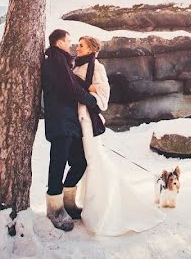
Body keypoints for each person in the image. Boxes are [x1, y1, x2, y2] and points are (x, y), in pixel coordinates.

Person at [71, 35, 165, 236]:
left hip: (89, 122)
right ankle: (88, 205)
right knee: (87, 163)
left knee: (95, 161)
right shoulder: (75, 66)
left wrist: (83, 87)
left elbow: (103, 97)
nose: (77, 48)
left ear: (91, 49)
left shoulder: (97, 68)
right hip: (76, 121)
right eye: (78, 45)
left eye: (81, 46)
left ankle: (105, 212)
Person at [41, 29, 100, 231]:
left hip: (69, 121)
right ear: (59, 43)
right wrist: (90, 100)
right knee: (58, 163)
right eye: (68, 40)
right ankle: (55, 209)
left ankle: (68, 202)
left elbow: (74, 83)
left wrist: (90, 89)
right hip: (60, 120)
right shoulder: (56, 58)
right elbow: (69, 87)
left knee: (79, 161)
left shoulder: (63, 61)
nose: (71, 44)